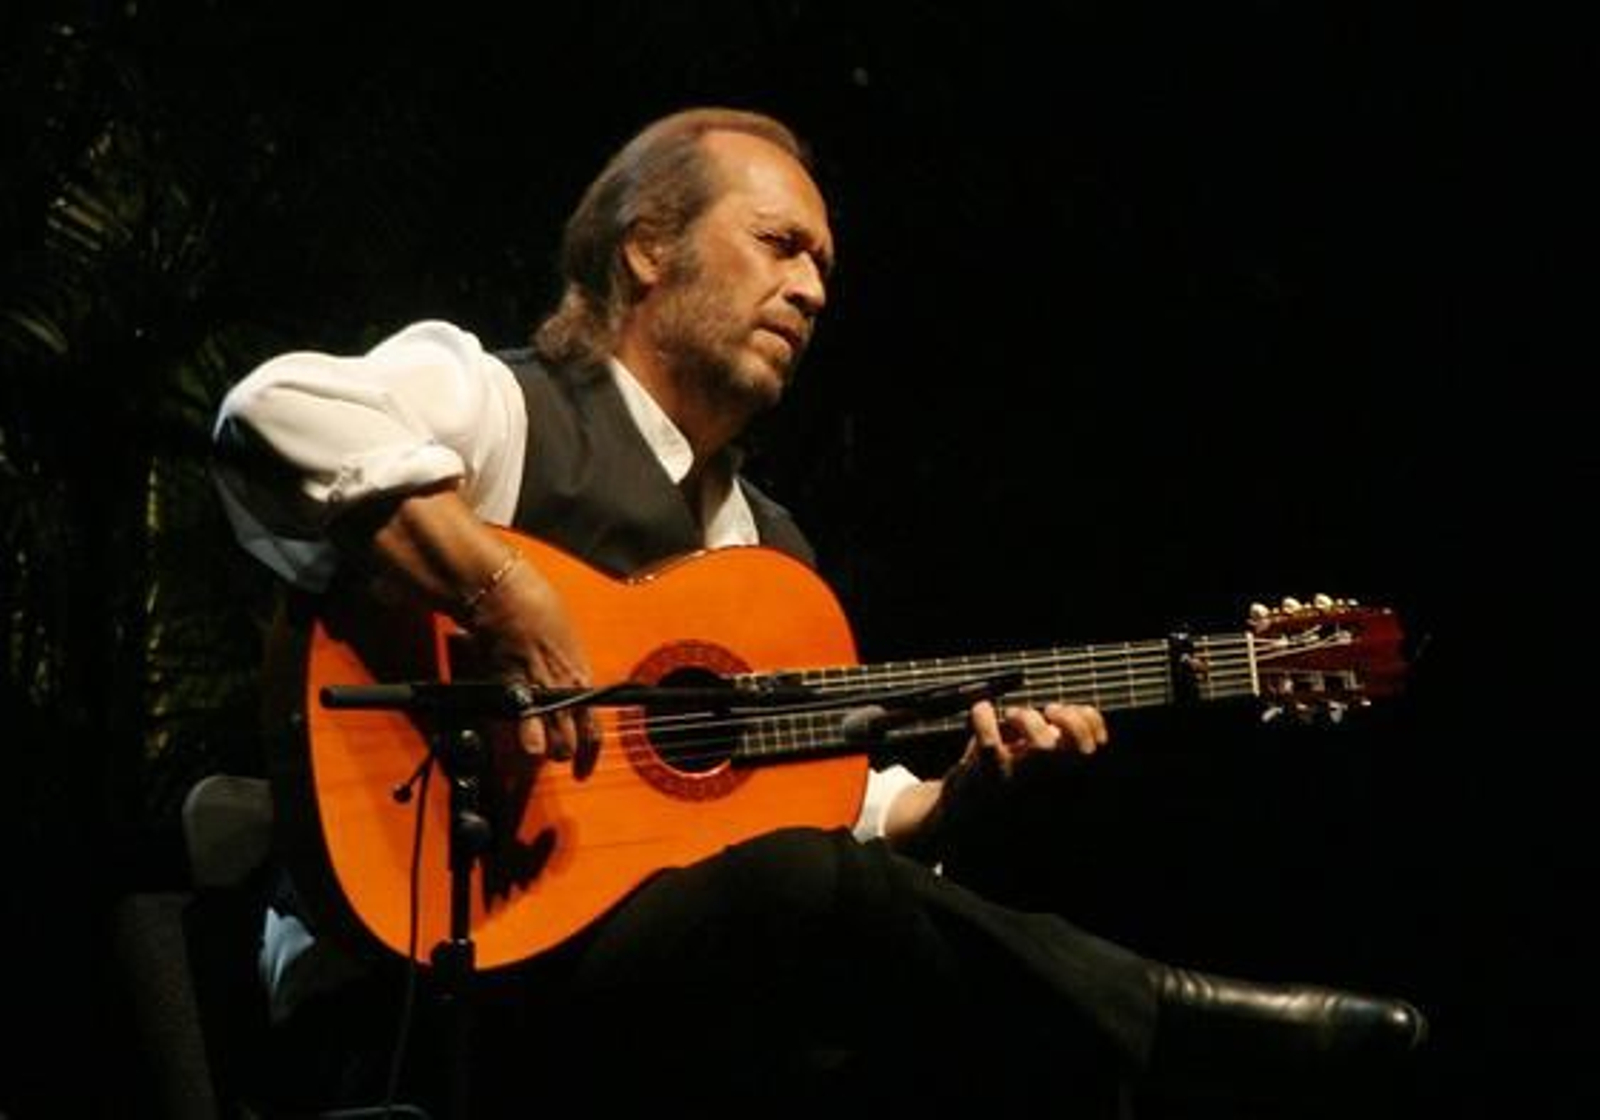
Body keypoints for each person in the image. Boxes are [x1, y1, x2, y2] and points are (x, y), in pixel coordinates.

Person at [211, 106, 1426, 1117]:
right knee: (803, 904)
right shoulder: (500, 408)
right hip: (409, 991)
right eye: (780, 244)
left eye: (823, 269)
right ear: (647, 247)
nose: (810, 288)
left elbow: (831, 812)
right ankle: (1171, 1022)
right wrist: (500, 585)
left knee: (871, 993)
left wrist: (955, 798)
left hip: (651, 1015)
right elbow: (273, 411)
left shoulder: (765, 553)